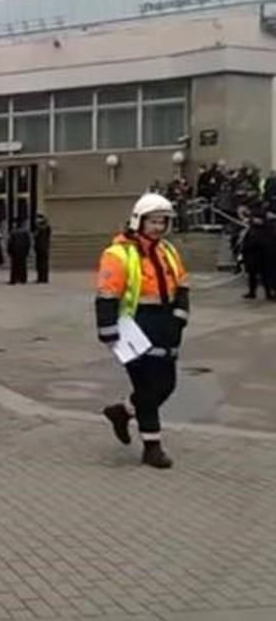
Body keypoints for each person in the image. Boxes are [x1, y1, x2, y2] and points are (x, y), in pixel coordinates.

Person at [96, 193, 190, 469]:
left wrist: (179, 317)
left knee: (167, 385)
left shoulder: (168, 251)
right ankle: (152, 446)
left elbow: (182, 285)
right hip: (133, 325)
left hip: (165, 323)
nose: (158, 227)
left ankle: (123, 412)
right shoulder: (118, 253)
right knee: (147, 388)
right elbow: (107, 294)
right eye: (153, 221)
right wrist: (108, 330)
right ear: (139, 220)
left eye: (163, 221)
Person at [7, 219, 32, 285]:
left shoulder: (13, 232)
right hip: (23, 251)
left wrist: (9, 251)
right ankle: (23, 279)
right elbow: (28, 243)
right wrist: (27, 251)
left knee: (14, 266)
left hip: (15, 251)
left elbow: (10, 243)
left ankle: (13, 279)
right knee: (23, 265)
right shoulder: (25, 232)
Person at [33, 214, 52, 284]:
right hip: (42, 247)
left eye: (38, 219)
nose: (36, 220)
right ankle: (41, 278)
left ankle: (42, 278)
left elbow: (37, 235)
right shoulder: (43, 227)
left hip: (42, 248)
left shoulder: (43, 227)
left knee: (42, 263)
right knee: (41, 264)